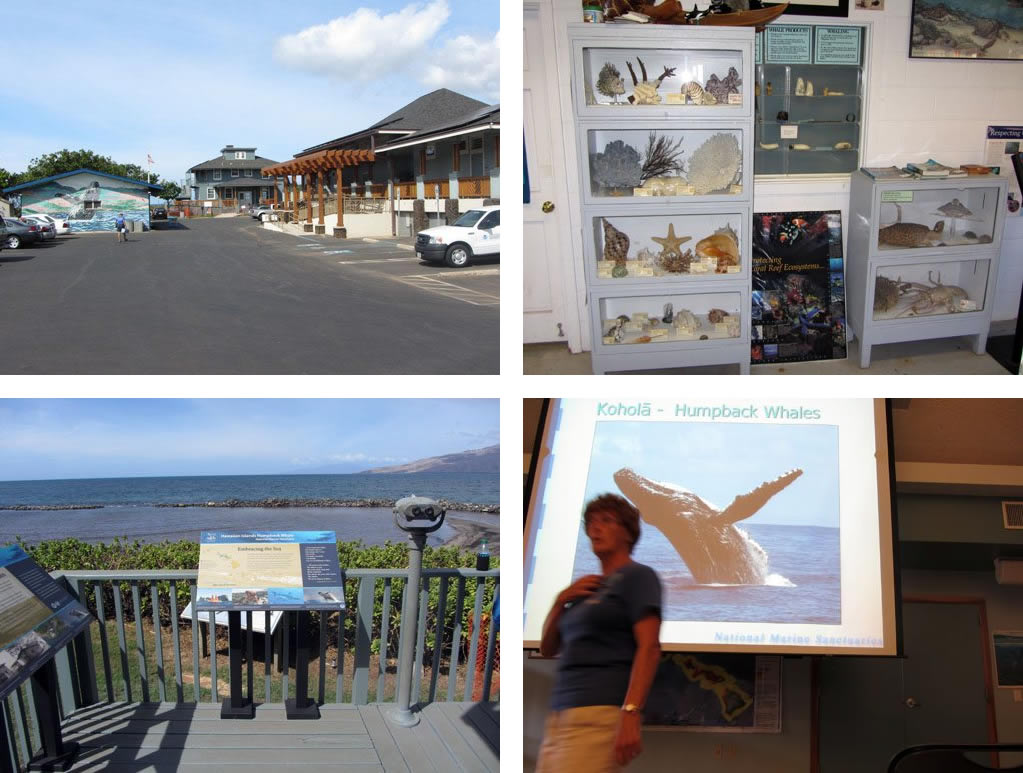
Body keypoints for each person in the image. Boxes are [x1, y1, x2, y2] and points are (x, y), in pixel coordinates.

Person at [536, 493, 662, 772]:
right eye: (590, 521)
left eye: (606, 520)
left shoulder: (638, 577)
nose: (594, 527)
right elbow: (548, 648)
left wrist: (630, 713)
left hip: (598, 716)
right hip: (560, 714)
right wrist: (561, 600)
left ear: (628, 533)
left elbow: (650, 647)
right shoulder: (584, 588)